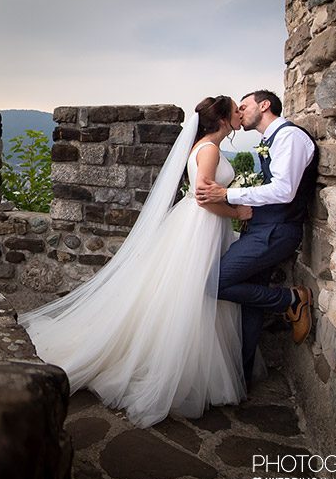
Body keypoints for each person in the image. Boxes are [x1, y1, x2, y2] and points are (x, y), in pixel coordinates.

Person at [20, 96, 253, 427]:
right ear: (224, 120)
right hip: (200, 226)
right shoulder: (211, 149)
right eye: (236, 110)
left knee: (188, 293)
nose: (240, 114)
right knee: (191, 295)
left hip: (200, 227)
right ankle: (177, 370)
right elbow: (203, 196)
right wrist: (237, 212)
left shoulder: (203, 145)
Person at [195, 90, 317, 385]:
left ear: (264, 105)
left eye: (245, 105)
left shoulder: (290, 138)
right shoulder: (270, 141)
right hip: (262, 229)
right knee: (250, 302)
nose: (240, 112)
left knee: (216, 281)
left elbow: (284, 190)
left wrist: (227, 194)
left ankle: (291, 299)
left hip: (276, 231)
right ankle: (243, 375)